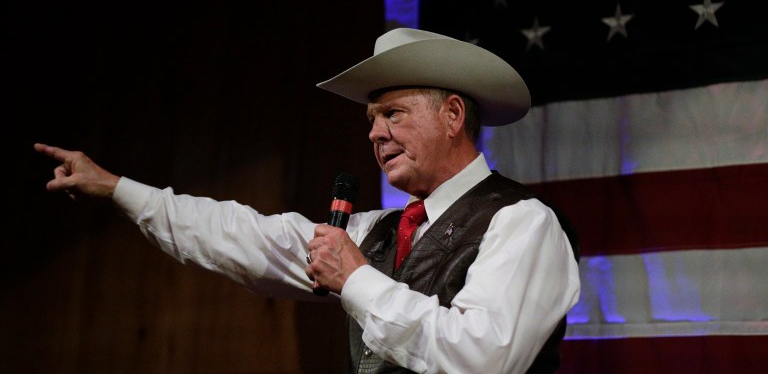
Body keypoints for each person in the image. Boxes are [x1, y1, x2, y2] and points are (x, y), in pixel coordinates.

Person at [35, 27, 580, 373]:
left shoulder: (521, 222)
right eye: (371, 119)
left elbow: (481, 360)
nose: (375, 134)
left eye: (393, 114)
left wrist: (358, 278)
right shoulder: (379, 230)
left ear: (453, 116)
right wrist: (118, 188)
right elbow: (239, 235)